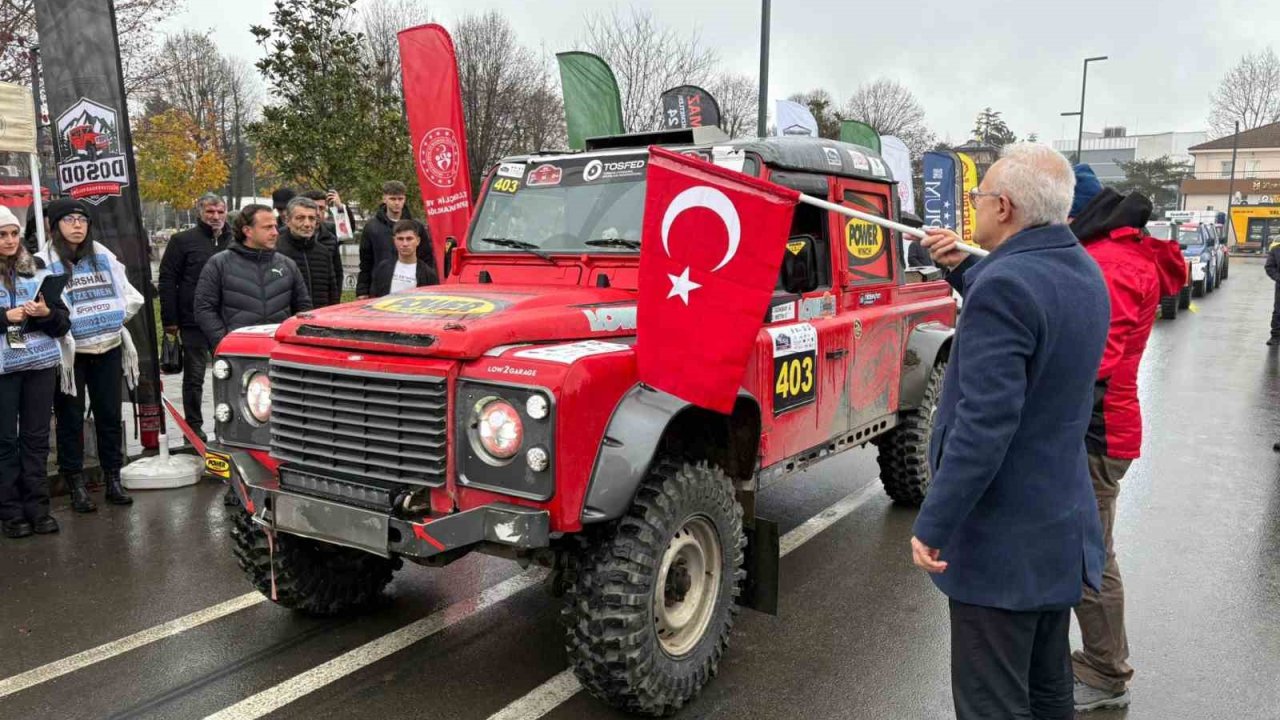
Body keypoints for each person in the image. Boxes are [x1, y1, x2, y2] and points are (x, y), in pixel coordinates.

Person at [910, 143, 1112, 720]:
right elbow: (1030, 314)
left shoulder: (1007, 285)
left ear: (1003, 206)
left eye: (977, 198)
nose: (971, 207)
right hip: (1056, 532)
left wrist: (935, 522)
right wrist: (967, 268)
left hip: (1002, 543)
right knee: (1048, 692)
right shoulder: (1079, 269)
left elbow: (984, 426)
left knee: (992, 703)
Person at [1066, 170, 1187, 712]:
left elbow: (1094, 360)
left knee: (1090, 554)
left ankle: (1104, 671)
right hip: (1101, 427)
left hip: (1098, 432)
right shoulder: (1112, 253)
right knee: (1084, 549)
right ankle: (1095, 660)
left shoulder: (1109, 264)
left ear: (1077, 214)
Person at [38, 198, 143, 512]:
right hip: (70, 356)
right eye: (69, 220)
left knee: (109, 416)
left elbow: (128, 294)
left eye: (82, 220)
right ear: (55, 225)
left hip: (107, 347)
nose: (77, 225)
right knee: (70, 421)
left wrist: (113, 318)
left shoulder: (103, 255)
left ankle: (113, 479)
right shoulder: (42, 261)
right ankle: (76, 486)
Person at [0, 206, 71, 538]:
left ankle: (39, 509)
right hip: (3, 368)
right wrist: (5, 318)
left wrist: (44, 313)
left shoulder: (37, 269)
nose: (10, 240)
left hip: (40, 364)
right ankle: (12, 513)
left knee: (37, 439)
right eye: (2, 235)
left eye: (14, 233)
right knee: (5, 441)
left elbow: (62, 324)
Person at [158, 193, 232, 440]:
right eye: (210, 212)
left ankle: (230, 424)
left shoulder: (236, 239)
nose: (216, 217)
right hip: (194, 320)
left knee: (231, 375)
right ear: (200, 212)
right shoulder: (182, 241)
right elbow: (167, 279)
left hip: (230, 320)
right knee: (194, 377)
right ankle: (194, 427)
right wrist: (170, 320)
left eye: (220, 212)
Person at [194, 204, 313, 349]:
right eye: (268, 227)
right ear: (247, 231)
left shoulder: (287, 265)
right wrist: (224, 342)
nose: (275, 232)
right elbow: (204, 308)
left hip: (280, 350)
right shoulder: (219, 263)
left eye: (275, 226)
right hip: (238, 352)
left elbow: (304, 309)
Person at [356, 180, 436, 298]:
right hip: (381, 286)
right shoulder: (372, 227)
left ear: (405, 199)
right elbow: (366, 263)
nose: (397, 203)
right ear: (384, 199)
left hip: (413, 287)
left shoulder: (417, 227)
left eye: (400, 199)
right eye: (393, 199)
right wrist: (362, 291)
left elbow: (427, 258)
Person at [275, 196, 343, 307]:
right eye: (300, 218)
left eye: (311, 218)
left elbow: (333, 292)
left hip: (319, 320)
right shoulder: (276, 252)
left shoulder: (323, 252)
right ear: (287, 220)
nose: (307, 224)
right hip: (289, 321)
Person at [370, 219, 440, 297]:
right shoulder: (383, 268)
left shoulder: (428, 275)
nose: (405, 244)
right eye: (400, 239)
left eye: (409, 239)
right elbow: (373, 299)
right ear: (394, 241)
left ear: (418, 241)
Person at [1266, 237, 1280, 346]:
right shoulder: (1275, 250)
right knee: (1278, 310)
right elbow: (1269, 267)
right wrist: (1278, 278)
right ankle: (1275, 336)